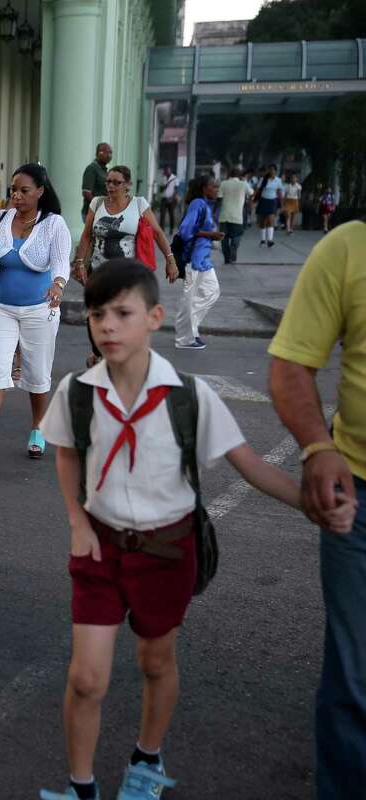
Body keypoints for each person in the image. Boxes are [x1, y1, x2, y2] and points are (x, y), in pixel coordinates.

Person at [37, 259, 352, 800]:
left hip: (166, 550)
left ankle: (147, 758)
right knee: (86, 678)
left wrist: (310, 505)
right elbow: (66, 455)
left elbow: (249, 464)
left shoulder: (188, 396)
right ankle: (79, 785)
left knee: (155, 662)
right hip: (99, 549)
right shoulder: (78, 392)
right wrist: (76, 520)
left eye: (122, 313)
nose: (107, 325)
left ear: (155, 317)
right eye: (96, 315)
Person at [269, 219, 366, 799]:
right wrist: (318, 447)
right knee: (356, 680)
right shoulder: (347, 247)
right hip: (358, 494)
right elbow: (289, 368)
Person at [0, 163, 72, 468]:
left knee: (38, 375)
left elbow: (61, 263)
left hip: (40, 310)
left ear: (40, 191)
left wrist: (58, 284)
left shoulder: (53, 224)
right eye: (14, 189)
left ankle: (38, 427)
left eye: (24, 190)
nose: (17, 196)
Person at [72, 165, 179, 364]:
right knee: (94, 313)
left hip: (128, 275)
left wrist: (170, 259)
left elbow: (157, 232)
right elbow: (86, 236)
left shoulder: (138, 204)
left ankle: (113, 356)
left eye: (116, 182)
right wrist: (79, 262)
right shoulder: (97, 203)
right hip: (98, 272)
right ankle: (97, 352)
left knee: (123, 314)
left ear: (127, 185)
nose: (111, 186)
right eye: (108, 182)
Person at [174, 175, 224, 351]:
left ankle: (191, 329)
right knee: (188, 299)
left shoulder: (205, 205)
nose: (216, 190)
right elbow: (185, 231)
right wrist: (211, 235)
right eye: (214, 187)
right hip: (193, 260)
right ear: (204, 188)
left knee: (212, 291)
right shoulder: (198, 204)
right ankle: (184, 339)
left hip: (204, 260)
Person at [216, 168, 251, 263]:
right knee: (237, 235)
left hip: (224, 215)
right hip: (238, 216)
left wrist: (214, 212)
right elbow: (251, 193)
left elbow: (219, 198)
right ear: (239, 175)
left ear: (229, 174)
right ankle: (234, 248)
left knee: (224, 238)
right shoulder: (243, 184)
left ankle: (227, 258)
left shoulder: (224, 183)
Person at [80, 143, 112, 224]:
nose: (108, 155)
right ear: (97, 153)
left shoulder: (105, 171)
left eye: (110, 152)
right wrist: (100, 208)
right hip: (92, 213)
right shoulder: (92, 169)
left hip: (103, 213)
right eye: (104, 152)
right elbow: (86, 193)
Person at [254, 165, 284, 248]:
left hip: (272, 202)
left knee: (271, 220)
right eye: (270, 170)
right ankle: (263, 240)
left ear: (276, 171)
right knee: (263, 222)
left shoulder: (278, 180)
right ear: (269, 171)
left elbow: (279, 193)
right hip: (263, 201)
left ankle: (270, 240)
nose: (272, 171)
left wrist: (281, 204)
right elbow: (257, 190)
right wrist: (253, 200)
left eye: (273, 170)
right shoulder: (263, 179)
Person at [155, 166, 180, 233]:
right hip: (164, 198)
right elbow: (160, 189)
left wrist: (172, 198)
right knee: (162, 214)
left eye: (167, 170)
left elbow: (176, 189)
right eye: (165, 171)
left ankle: (171, 229)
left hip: (171, 199)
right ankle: (161, 230)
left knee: (171, 214)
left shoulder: (174, 178)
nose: (166, 172)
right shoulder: (163, 178)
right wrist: (164, 187)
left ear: (170, 171)